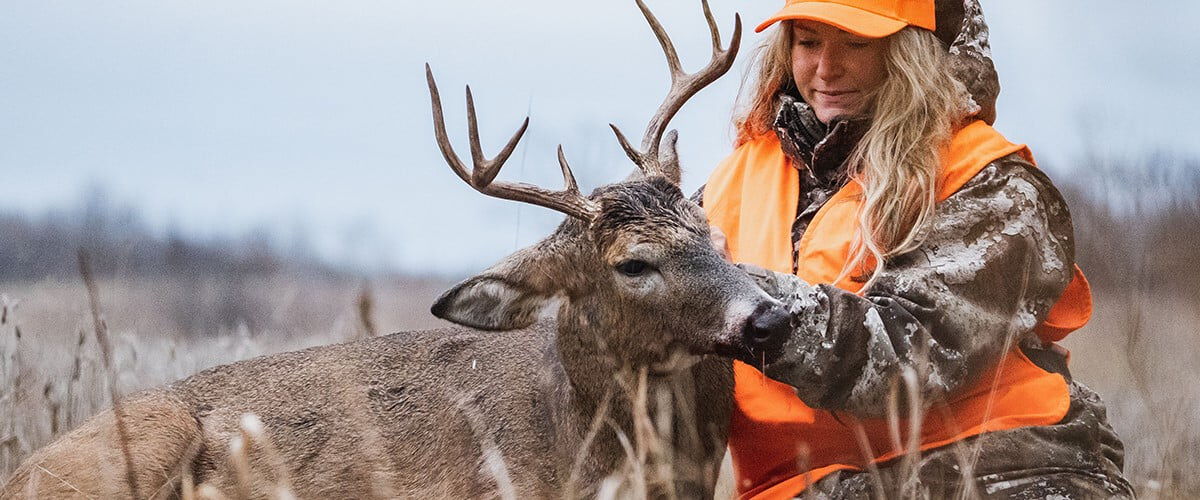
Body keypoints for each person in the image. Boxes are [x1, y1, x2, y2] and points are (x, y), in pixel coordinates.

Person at [696, 0, 1135, 498]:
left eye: (855, 43)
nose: (824, 68)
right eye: (808, 41)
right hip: (805, 486)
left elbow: (910, 357)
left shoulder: (988, 182)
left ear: (909, 52)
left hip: (1002, 466)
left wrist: (728, 294)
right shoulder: (729, 185)